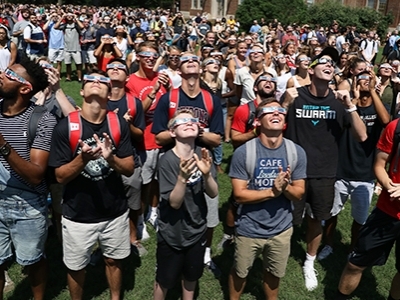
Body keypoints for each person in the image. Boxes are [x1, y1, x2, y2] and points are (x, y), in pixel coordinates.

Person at [281, 47, 367, 291]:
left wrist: (350, 105)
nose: (329, 65)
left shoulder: (339, 101)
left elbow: (361, 136)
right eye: (323, 62)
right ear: (310, 69)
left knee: (316, 218)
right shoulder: (295, 95)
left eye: (332, 63)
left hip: (325, 171)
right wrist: (285, 102)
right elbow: (270, 124)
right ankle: (280, 255)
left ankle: (309, 261)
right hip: (293, 170)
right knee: (288, 218)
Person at [48, 71, 134, 300]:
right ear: (82, 91)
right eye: (90, 80)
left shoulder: (119, 125)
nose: (97, 82)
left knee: (113, 260)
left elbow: (129, 168)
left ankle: (116, 297)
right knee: (76, 267)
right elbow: (60, 176)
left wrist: (111, 159)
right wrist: (82, 160)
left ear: (110, 93)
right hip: (78, 214)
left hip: (114, 211)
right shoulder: (64, 128)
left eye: (103, 81)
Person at [152, 52, 224, 275]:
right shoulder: (169, 98)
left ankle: (205, 251)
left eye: (195, 60)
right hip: (172, 161)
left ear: (201, 70)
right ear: (179, 70)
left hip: (203, 159)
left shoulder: (210, 99)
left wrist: (193, 130)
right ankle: (167, 253)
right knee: (173, 209)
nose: (191, 62)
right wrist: (183, 130)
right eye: (186, 61)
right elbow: (158, 136)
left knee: (210, 210)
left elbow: (218, 138)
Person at [228, 98, 307, 300]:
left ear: (285, 121)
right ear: (257, 121)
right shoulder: (243, 152)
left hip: (281, 228)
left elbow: (298, 194)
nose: (276, 113)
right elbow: (239, 194)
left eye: (280, 111)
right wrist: (272, 191)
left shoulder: (296, 152)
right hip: (249, 227)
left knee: (274, 273)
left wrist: (285, 187)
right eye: (269, 111)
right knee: (240, 272)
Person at [318, 70, 390, 261]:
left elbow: (386, 121)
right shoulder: (347, 105)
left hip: (365, 173)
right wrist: (354, 98)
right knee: (332, 213)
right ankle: (328, 244)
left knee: (359, 219)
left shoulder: (378, 108)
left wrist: (374, 91)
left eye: (369, 78)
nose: (365, 81)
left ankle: (352, 248)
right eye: (362, 78)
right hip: (342, 169)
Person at [0, 58, 57, 300]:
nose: (2, 74)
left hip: (27, 206)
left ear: (25, 88)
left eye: (10, 74)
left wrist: (2, 143)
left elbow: (35, 175)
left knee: (32, 261)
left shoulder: (42, 119)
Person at [153, 110, 218, 300]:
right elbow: (174, 203)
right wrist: (182, 178)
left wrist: (206, 175)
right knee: (164, 280)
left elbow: (213, 193)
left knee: (191, 276)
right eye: (182, 121)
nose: (189, 123)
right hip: (171, 232)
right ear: (172, 132)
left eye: (193, 121)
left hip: (197, 230)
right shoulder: (166, 160)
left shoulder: (203, 154)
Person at [335, 115, 400, 300]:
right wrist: (390, 188)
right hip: (387, 211)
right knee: (355, 263)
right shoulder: (395, 127)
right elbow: (379, 165)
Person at [105, 59, 147, 256]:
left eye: (120, 68)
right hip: (103, 162)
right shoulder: (98, 100)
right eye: (111, 67)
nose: (115, 69)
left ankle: (133, 238)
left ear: (127, 77)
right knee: (105, 201)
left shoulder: (133, 102)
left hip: (129, 158)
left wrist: (125, 125)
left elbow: (139, 134)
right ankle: (105, 243)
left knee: (133, 202)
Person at [54, 12, 84, 82]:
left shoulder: (76, 25)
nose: (69, 17)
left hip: (76, 48)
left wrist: (76, 18)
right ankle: (68, 77)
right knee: (68, 64)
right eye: (68, 16)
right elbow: (55, 27)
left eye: (71, 16)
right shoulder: (64, 25)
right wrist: (61, 18)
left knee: (78, 64)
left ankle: (79, 78)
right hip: (67, 48)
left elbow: (82, 27)